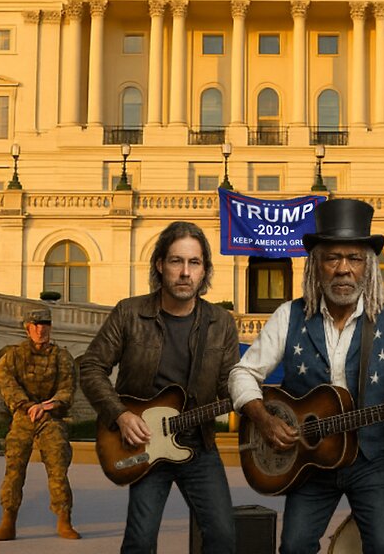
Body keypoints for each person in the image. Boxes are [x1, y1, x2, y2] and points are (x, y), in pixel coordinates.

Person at [230, 198, 384, 554]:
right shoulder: (289, 316)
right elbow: (243, 372)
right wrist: (262, 418)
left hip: (370, 459)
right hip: (309, 462)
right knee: (294, 546)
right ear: (316, 265)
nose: (343, 269)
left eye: (354, 258)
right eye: (333, 258)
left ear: (369, 267)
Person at [78, 221, 240, 553]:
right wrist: (120, 416)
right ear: (160, 265)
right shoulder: (130, 312)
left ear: (204, 270)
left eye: (194, 263)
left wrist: (252, 394)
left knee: (224, 536)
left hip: (199, 445)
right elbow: (91, 366)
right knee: (140, 541)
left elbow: (229, 385)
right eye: (176, 261)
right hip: (144, 442)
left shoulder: (220, 323)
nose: (185, 272)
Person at [0, 309, 81, 541]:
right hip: (23, 416)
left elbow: (67, 388)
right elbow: (6, 382)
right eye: (36, 325)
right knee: (14, 468)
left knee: (58, 466)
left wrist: (47, 406)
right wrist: (26, 404)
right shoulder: (13, 356)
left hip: (50, 417)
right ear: (28, 328)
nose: (41, 330)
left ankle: (64, 519)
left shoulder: (62, 357)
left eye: (45, 324)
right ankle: (8, 521)